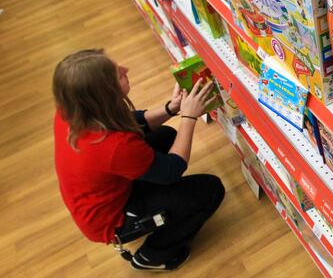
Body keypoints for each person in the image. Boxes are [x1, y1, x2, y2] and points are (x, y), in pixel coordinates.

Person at [53, 49, 225, 271]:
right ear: (106, 93)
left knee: (167, 136)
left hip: (104, 193)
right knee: (209, 190)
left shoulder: (72, 110)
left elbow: (131, 122)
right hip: (112, 221)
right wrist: (189, 117)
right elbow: (172, 170)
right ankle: (153, 256)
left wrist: (171, 109)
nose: (126, 69)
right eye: (118, 75)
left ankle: (157, 206)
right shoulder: (113, 146)